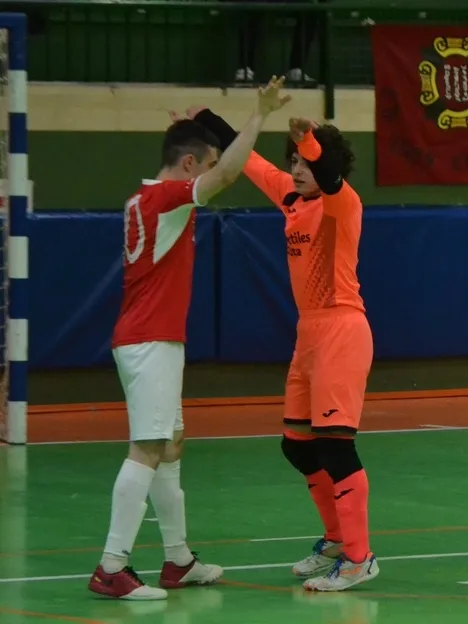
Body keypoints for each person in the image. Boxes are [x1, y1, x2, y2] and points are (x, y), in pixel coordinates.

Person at [88, 77, 291, 601]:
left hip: (153, 338)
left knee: (171, 443)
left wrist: (193, 132)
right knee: (147, 447)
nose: (209, 173)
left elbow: (208, 167)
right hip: (150, 340)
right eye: (203, 164)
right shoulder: (168, 199)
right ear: (187, 165)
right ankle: (112, 566)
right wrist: (260, 114)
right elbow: (226, 174)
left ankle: (177, 560)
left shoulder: (145, 197)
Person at [190, 107, 376, 592]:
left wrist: (310, 141)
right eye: (293, 159)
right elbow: (249, 161)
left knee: (336, 447)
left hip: (341, 329)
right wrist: (205, 120)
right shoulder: (291, 198)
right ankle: (336, 539)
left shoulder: (342, 202)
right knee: (297, 445)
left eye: (306, 161)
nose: (297, 168)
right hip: (308, 334)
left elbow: (328, 173)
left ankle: (359, 558)